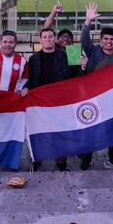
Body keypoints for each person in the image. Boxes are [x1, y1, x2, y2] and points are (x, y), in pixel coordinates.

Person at [79, 3, 113, 170]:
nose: (108, 42)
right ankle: (87, 157)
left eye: (111, 39)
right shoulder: (93, 52)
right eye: (105, 39)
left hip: (112, 100)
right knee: (90, 129)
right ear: (101, 40)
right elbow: (84, 39)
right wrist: (88, 21)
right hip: (92, 98)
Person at [27, 27, 72, 171]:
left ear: (55, 39)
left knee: (60, 131)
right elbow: (30, 80)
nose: (47, 39)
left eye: (50, 37)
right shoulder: (33, 59)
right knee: (38, 131)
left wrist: (82, 65)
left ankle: (61, 161)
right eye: (44, 37)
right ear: (40, 40)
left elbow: (78, 78)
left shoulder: (70, 54)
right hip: (39, 103)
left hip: (60, 101)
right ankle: (37, 158)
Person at [0, 30, 29, 96]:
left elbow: (25, 80)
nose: (8, 45)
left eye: (11, 42)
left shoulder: (23, 61)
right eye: (5, 42)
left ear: (15, 43)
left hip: (11, 101)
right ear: (0, 43)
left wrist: (24, 88)